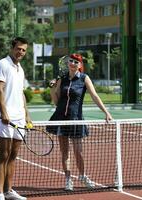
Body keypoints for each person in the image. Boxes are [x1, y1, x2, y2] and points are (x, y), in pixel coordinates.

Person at [48, 53, 113, 191]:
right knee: (65, 152)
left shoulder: (84, 78)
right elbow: (56, 101)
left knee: (79, 151)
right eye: (71, 61)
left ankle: (82, 176)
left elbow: (95, 96)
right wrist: (52, 88)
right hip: (61, 118)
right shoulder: (62, 79)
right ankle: (68, 179)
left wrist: (106, 112)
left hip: (76, 119)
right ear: (67, 63)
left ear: (80, 65)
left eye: (76, 62)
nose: (72, 63)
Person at [0, 37, 31, 200]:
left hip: (19, 118)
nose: (21, 52)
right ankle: (0, 193)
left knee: (14, 155)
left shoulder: (20, 69)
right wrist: (4, 113)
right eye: (18, 48)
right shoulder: (2, 64)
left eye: (23, 50)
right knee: (3, 154)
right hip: (5, 118)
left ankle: (9, 191)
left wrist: (27, 114)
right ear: (12, 48)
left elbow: (21, 93)